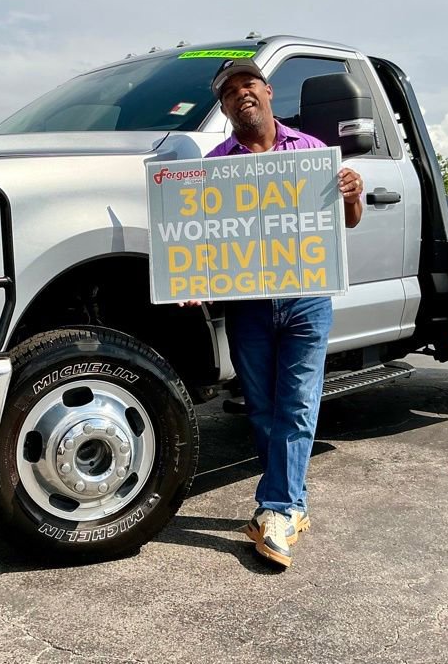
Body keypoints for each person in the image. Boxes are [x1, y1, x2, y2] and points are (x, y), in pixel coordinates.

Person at [188, 58, 364, 568]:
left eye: (248, 84)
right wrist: (191, 279)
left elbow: (346, 222)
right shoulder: (217, 166)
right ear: (223, 108)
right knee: (262, 408)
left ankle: (278, 509)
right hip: (248, 303)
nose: (241, 93)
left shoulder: (311, 153)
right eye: (229, 91)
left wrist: (351, 195)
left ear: (267, 92)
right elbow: (202, 238)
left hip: (308, 297)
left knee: (297, 405)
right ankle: (290, 504)